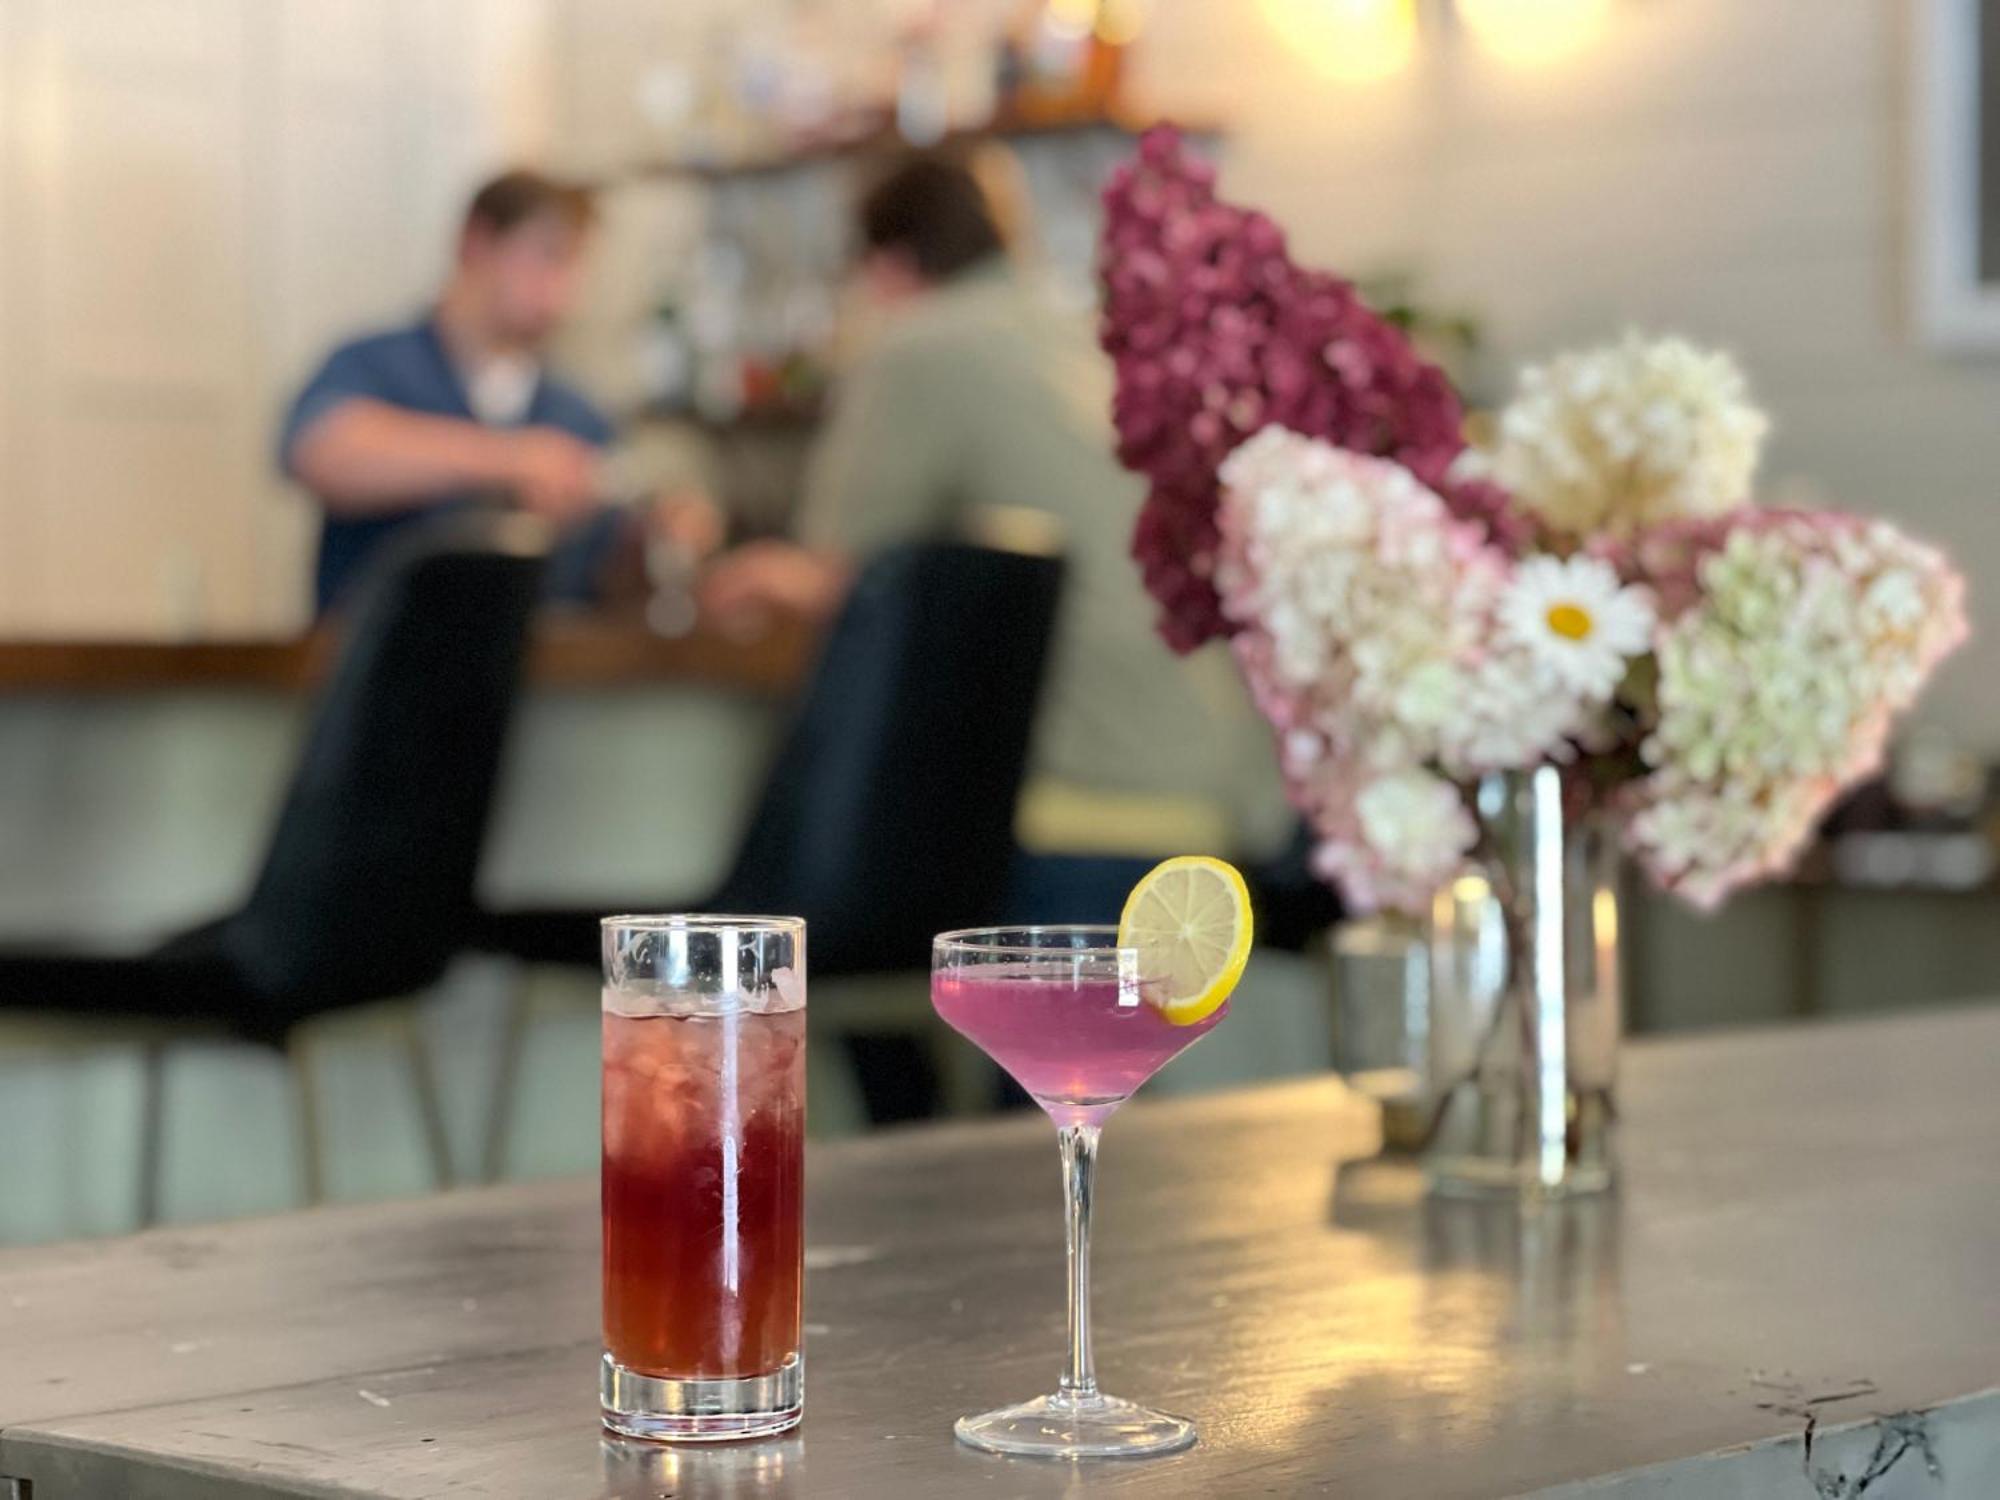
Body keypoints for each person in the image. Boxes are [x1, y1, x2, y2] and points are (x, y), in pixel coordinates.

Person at [698, 154, 1287, 914]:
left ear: (890, 265)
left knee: (870, 966)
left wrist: (746, 576)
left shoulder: (918, 344)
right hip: (1221, 784)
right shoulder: (1081, 333)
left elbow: (834, 572)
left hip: (1076, 801)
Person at [279, 170, 625, 612]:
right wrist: (512, 459)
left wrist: (656, 537)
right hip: (392, 670)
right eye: (548, 256)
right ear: (477, 243)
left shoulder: (576, 413)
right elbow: (319, 451)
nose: (563, 290)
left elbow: (612, 575)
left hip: (539, 673)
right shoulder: (377, 367)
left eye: (577, 265)